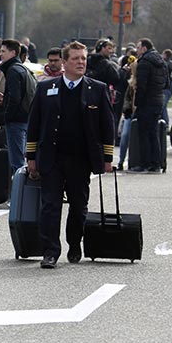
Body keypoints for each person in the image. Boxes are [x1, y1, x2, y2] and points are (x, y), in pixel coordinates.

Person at [26, 41, 115, 269]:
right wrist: (31, 156)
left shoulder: (97, 89)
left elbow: (107, 126)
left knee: (78, 205)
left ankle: (74, 243)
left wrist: (106, 158)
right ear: (64, 63)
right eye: (75, 59)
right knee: (50, 205)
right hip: (52, 157)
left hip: (81, 159)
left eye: (83, 59)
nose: (81, 63)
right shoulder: (46, 89)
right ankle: (50, 251)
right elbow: (34, 123)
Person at [128, 38, 167, 174]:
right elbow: (166, 83)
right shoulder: (161, 62)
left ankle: (144, 163)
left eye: (138, 48)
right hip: (158, 100)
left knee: (143, 133)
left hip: (146, 102)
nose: (137, 51)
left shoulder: (144, 63)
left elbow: (141, 86)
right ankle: (155, 164)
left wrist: (137, 103)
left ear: (144, 48)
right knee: (153, 133)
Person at [0, 39, 29, 174]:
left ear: (13, 52)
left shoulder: (12, 70)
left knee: (17, 163)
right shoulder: (21, 68)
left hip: (16, 121)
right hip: (24, 119)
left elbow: (15, 98)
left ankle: (18, 193)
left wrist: (6, 116)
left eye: (3, 51)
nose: (0, 54)